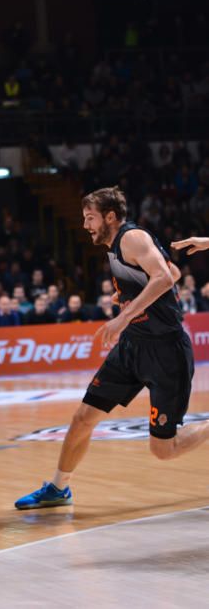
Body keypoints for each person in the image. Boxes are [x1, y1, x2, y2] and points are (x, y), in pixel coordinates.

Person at [14, 186, 205, 511]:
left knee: (164, 449)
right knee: (83, 416)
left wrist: (123, 315)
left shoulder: (132, 238)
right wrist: (129, 296)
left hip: (165, 350)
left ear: (111, 217)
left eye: (90, 218)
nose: (86, 225)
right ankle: (59, 488)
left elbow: (164, 278)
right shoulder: (116, 246)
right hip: (134, 346)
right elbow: (171, 271)